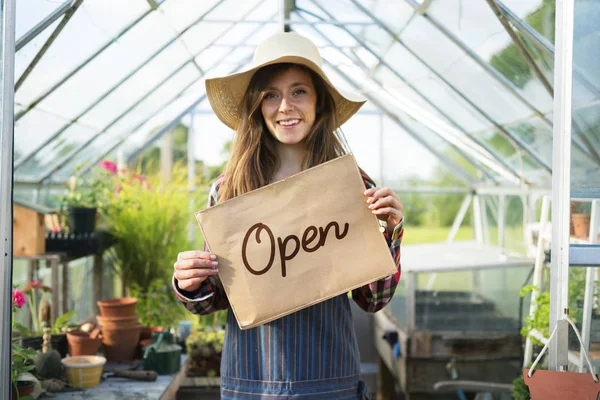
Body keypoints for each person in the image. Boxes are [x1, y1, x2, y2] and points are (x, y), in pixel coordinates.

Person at [172, 32, 404, 400]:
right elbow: (217, 296)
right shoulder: (229, 188)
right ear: (257, 106)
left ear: (319, 103)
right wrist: (190, 282)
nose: (285, 107)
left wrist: (389, 234)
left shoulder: (352, 186)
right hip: (251, 381)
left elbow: (372, 300)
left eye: (299, 91)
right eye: (271, 95)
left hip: (330, 380)